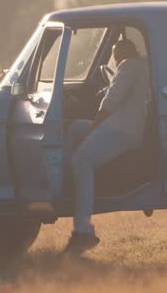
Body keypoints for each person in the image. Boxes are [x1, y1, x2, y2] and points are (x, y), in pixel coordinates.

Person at [64, 39, 150, 255]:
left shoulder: (128, 65)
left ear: (124, 53)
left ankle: (83, 231)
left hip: (120, 129)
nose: (116, 59)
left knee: (81, 161)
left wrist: (95, 127)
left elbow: (111, 100)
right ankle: (67, 179)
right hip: (127, 126)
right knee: (75, 128)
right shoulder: (143, 66)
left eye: (116, 54)